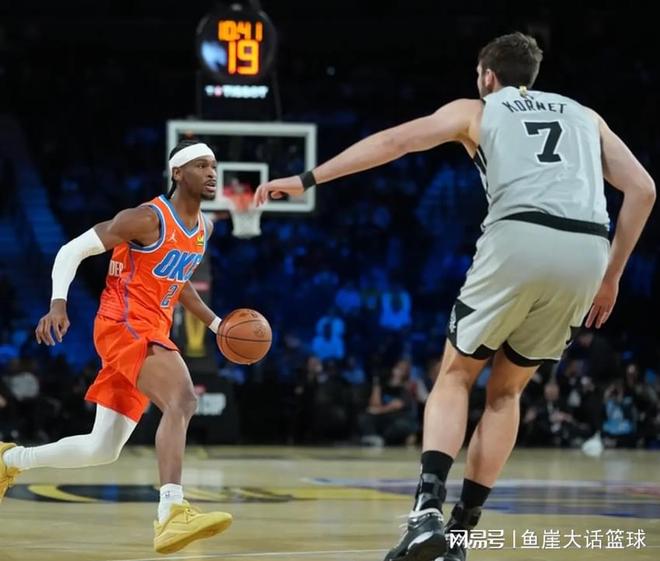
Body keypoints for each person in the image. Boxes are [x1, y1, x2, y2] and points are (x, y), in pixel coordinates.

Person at [254, 32, 655, 561]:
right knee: (507, 393)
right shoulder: (586, 116)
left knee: (456, 373)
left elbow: (395, 142)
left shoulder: (478, 109)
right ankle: (462, 535)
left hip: (520, 234)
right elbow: (644, 189)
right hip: (587, 252)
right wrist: (612, 276)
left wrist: (307, 178)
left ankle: (426, 514)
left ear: (488, 75)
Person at [0, 140, 234, 554]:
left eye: (213, 165)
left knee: (102, 448)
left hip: (150, 329)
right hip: (123, 323)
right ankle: (171, 513)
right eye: (201, 165)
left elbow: (178, 283)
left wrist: (217, 325)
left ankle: (9, 461)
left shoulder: (204, 228)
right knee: (182, 398)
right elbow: (71, 250)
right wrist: (58, 303)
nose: (211, 172)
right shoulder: (146, 219)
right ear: (178, 172)